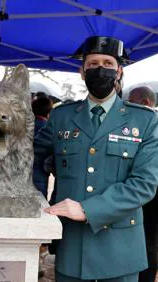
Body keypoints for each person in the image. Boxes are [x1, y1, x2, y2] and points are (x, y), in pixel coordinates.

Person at [33, 36, 158, 282]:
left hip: (121, 252)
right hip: (72, 250)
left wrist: (87, 209)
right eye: (92, 64)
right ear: (82, 72)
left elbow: (145, 183)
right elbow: (30, 160)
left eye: (108, 63)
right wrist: (37, 201)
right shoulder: (61, 118)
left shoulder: (144, 121)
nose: (100, 69)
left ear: (119, 71)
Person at [128, 86, 158, 282]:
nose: (129, 106)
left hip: (150, 193)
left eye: (132, 102)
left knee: (148, 240)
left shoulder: (148, 123)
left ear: (146, 103)